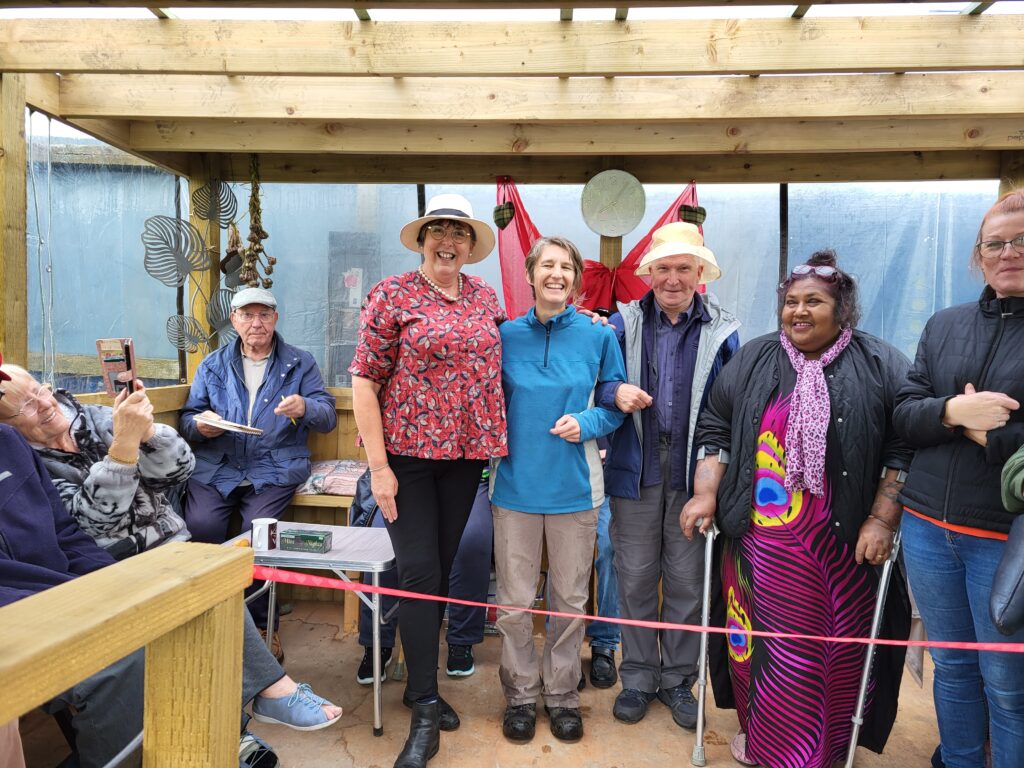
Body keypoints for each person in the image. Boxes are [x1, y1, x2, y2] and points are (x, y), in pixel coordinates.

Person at [0, 357, 342, 755]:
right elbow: (91, 526)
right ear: (6, 426)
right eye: (24, 405)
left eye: (39, 390)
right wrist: (124, 449)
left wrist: (149, 435)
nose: (43, 404)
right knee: (184, 604)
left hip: (161, 543)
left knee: (210, 580)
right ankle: (249, 714)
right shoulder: (27, 455)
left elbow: (179, 470)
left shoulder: (94, 417)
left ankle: (243, 718)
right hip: (116, 557)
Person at [680, 250, 912, 768]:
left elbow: (903, 446)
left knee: (835, 652)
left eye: (814, 301)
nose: (799, 311)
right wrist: (705, 492)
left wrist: (881, 517)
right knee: (762, 651)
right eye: (791, 302)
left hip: (843, 549)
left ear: (842, 310)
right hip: (758, 548)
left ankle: (826, 750)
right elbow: (715, 426)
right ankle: (765, 743)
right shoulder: (756, 358)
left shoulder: (881, 363)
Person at [349, 193, 507, 768]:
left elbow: (506, 355)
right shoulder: (391, 295)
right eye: (437, 230)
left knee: (438, 572)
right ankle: (423, 708)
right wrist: (380, 467)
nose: (448, 240)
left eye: (459, 233)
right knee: (417, 571)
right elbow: (364, 380)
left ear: (469, 246)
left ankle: (422, 683)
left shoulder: (485, 298)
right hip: (407, 458)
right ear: (422, 240)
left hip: (466, 459)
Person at [893, 189, 1024, 768]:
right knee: (953, 664)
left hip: (1003, 538)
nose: (1007, 252)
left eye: (1021, 241)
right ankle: (962, 758)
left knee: (1006, 679)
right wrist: (951, 412)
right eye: (994, 243)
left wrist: (983, 432)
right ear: (978, 255)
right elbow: (903, 410)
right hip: (927, 527)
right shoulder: (946, 324)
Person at [598, 220, 739, 729]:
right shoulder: (621, 323)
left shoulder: (723, 332)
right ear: (649, 272)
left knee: (685, 581)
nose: (673, 278)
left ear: (700, 273)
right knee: (635, 577)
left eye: (684, 268)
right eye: (664, 268)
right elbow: (598, 381)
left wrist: (718, 479)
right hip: (636, 469)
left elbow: (731, 407)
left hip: (694, 473)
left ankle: (679, 680)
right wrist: (614, 392)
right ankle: (636, 676)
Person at [490, 236, 626, 744]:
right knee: (515, 603)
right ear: (529, 274)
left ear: (575, 279)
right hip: (515, 490)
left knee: (570, 600)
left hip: (576, 492)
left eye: (566, 267)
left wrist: (587, 421)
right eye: (547, 265)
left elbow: (614, 401)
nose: (557, 274)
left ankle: (564, 694)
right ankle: (522, 695)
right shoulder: (503, 336)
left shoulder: (599, 337)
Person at [180, 287, 337, 658]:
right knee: (200, 525)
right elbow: (189, 418)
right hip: (218, 466)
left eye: (264, 315)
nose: (256, 323)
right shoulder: (213, 364)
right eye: (248, 315)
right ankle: (205, 617)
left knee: (260, 536)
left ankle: (262, 627)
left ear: (276, 319)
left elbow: (328, 415)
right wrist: (201, 426)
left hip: (274, 467)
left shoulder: (300, 363)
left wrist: (305, 406)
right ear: (234, 320)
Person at [355, 467, 493, 703]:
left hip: (470, 472)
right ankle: (377, 642)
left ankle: (462, 640)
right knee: (384, 542)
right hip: (404, 470)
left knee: (472, 541)